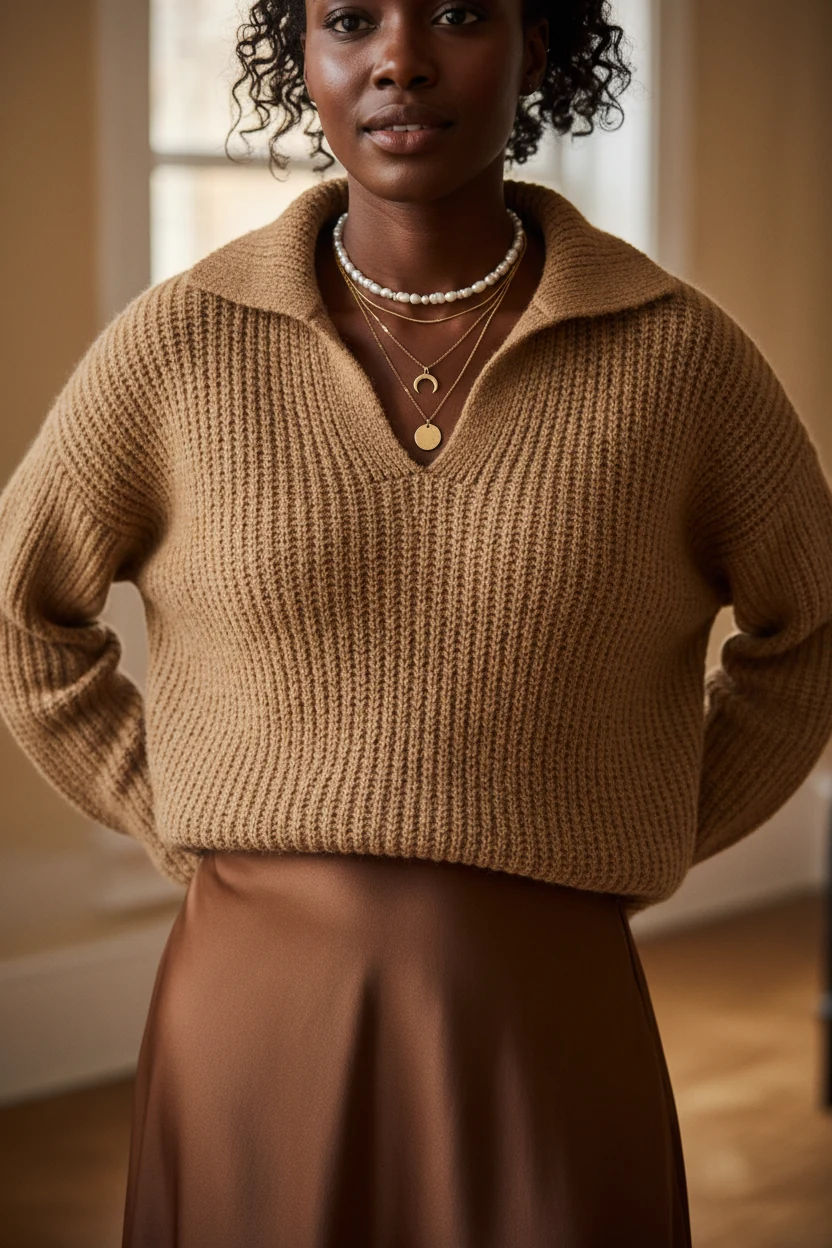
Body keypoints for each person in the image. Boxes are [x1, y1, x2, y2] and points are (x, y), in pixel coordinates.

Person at [1, 0, 832, 1243]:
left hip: (548, 1010)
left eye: (456, 13)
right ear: (305, 59)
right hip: (250, 1008)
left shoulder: (678, 361)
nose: (399, 58)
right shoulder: (182, 345)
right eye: (349, 19)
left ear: (538, 50)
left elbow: (809, 629)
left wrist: (641, 805)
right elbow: (25, 612)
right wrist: (169, 793)